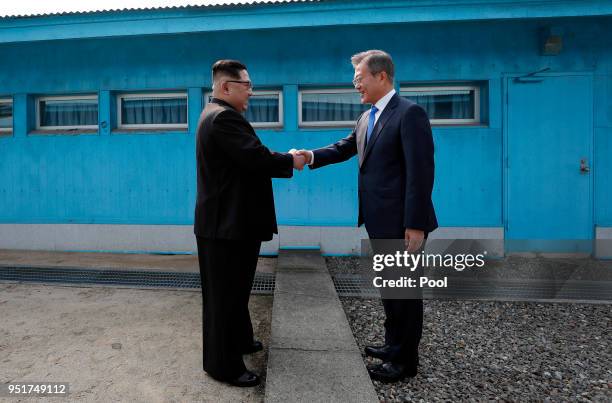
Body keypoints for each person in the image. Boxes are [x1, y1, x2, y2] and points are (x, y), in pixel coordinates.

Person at [295, 50, 437, 383]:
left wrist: (415, 224)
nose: (355, 85)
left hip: (403, 222)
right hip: (377, 219)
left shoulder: (409, 114)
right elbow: (345, 147)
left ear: (381, 76)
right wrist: (309, 156)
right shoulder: (367, 117)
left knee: (404, 291)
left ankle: (405, 362)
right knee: (390, 288)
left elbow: (421, 172)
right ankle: (392, 345)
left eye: (359, 79)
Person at [194, 59, 305, 387]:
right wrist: (291, 160)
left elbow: (248, 156)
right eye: (247, 86)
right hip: (225, 227)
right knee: (224, 299)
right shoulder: (224, 118)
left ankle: (241, 341)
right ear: (226, 87)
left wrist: (281, 158)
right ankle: (223, 366)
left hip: (230, 224)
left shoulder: (217, 115)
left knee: (235, 291)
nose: (251, 92)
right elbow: (256, 157)